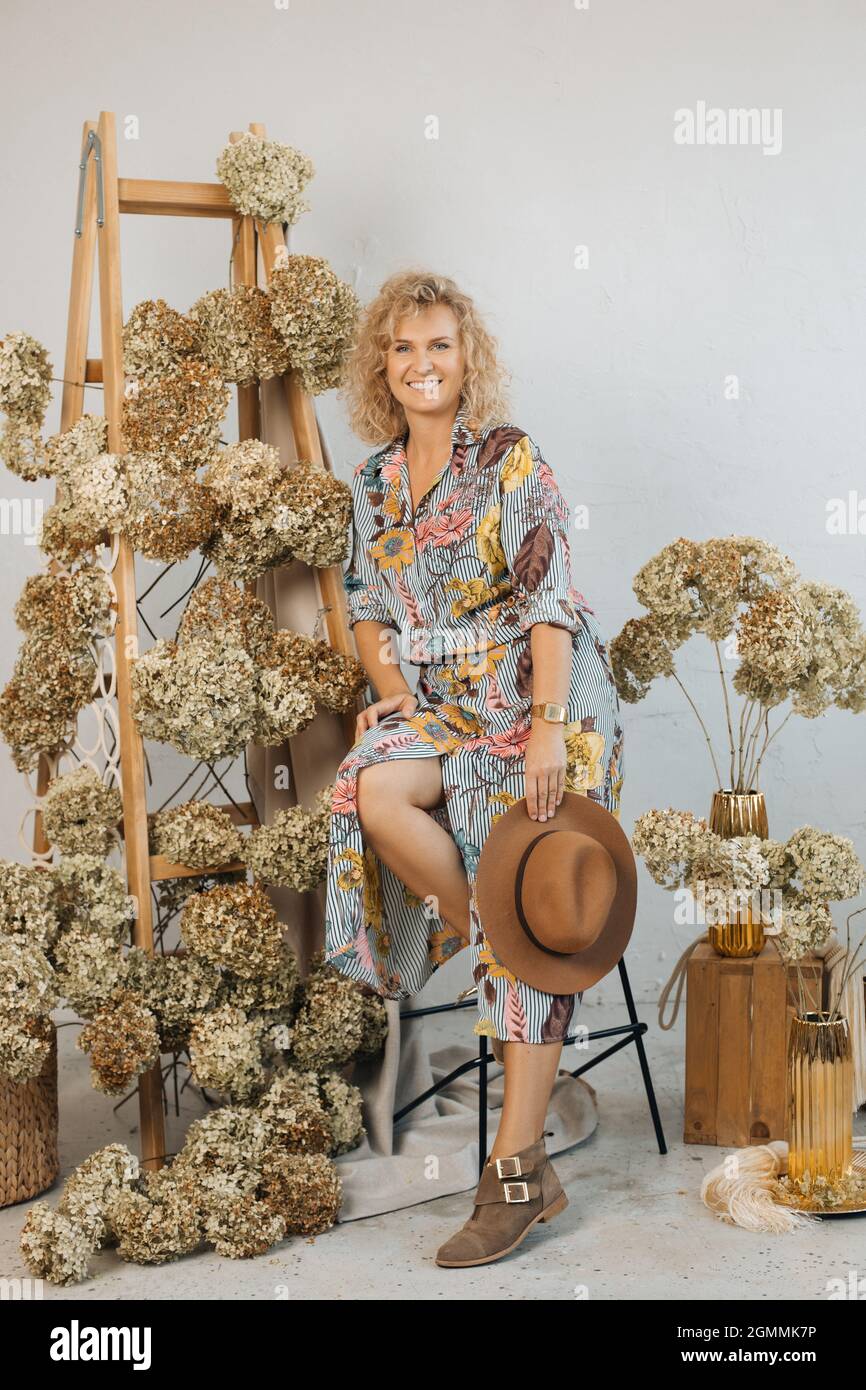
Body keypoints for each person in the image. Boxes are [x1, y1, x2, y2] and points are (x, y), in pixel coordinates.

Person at [324, 268, 625, 1265]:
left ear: (466, 360)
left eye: (439, 346)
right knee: (368, 784)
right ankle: (489, 923)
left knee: (528, 900)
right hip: (443, 706)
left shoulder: (508, 460)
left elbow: (549, 602)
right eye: (403, 348)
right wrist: (385, 678)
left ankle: (517, 1170)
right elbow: (367, 602)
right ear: (382, 362)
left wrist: (543, 728)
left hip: (531, 701)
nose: (422, 364)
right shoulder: (371, 480)